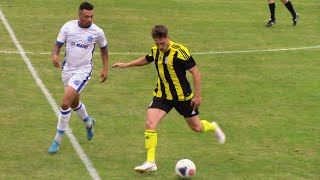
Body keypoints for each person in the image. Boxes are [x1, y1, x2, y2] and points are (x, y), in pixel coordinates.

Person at [112, 25, 226, 173]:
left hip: (183, 97)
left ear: (167, 37)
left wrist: (197, 96)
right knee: (150, 123)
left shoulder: (180, 51)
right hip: (162, 95)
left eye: (162, 43)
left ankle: (213, 127)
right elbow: (146, 59)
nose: (160, 46)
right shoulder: (155, 50)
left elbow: (196, 73)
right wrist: (126, 65)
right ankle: (150, 162)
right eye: (157, 43)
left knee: (197, 127)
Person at [48, 1, 109, 153]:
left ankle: (57, 140)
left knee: (64, 103)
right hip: (67, 69)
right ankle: (89, 123)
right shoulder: (68, 27)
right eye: (86, 16)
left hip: (83, 71)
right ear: (79, 15)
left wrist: (105, 69)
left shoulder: (97, 32)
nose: (89, 19)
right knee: (75, 103)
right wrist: (55, 55)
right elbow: (57, 45)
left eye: (92, 17)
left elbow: (104, 50)